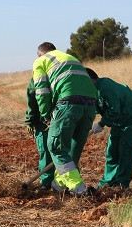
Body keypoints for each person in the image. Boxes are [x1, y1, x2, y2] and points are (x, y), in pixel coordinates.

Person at [32, 42, 96, 197]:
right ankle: (58, 186)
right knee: (72, 149)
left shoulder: (40, 61)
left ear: (41, 53)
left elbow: (41, 92)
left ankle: (78, 189)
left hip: (68, 104)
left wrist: (46, 114)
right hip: (90, 105)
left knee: (56, 147)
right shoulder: (70, 57)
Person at [85, 68, 132, 189]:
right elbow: (93, 109)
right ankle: (107, 183)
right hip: (119, 121)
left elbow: (114, 110)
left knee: (126, 151)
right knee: (112, 151)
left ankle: (121, 186)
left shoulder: (106, 87)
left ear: (91, 79)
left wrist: (101, 123)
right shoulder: (92, 91)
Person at [24, 76, 53, 191]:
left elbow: (32, 102)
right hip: (62, 119)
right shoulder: (62, 73)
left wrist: (30, 121)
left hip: (44, 123)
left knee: (46, 151)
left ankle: (46, 183)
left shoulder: (37, 77)